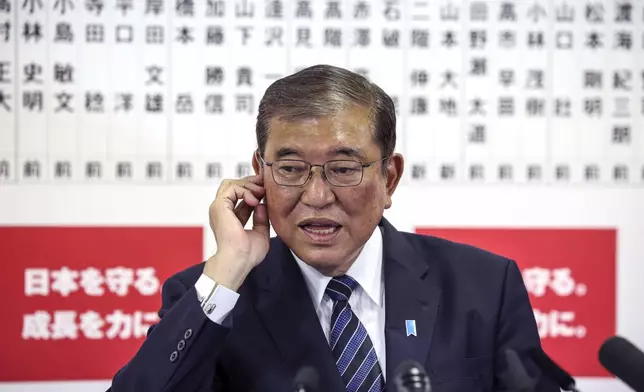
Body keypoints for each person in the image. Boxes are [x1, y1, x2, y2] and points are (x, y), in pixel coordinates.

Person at [108, 65, 557, 392]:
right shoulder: (214, 301)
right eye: (290, 168)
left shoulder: (483, 286)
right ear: (258, 173)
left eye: (343, 169)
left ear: (389, 178)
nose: (317, 195)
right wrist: (229, 270)